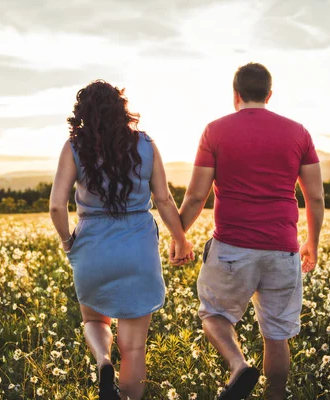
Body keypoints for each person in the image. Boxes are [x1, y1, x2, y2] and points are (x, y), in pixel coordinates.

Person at [172, 62, 325, 400]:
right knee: (276, 334)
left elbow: (197, 196)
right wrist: (312, 242)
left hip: (232, 249)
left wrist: (178, 236)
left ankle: (238, 365)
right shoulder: (298, 132)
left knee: (214, 315)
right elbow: (314, 196)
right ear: (269, 94)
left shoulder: (215, 130)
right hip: (283, 249)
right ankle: (276, 395)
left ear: (235, 94)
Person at [50, 80, 194, 400]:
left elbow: (57, 205)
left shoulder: (74, 146)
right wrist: (180, 239)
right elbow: (165, 200)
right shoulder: (145, 144)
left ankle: (103, 361)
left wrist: (67, 242)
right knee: (134, 348)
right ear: (121, 108)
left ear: (83, 113)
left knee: (94, 319)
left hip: (92, 247)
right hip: (138, 249)